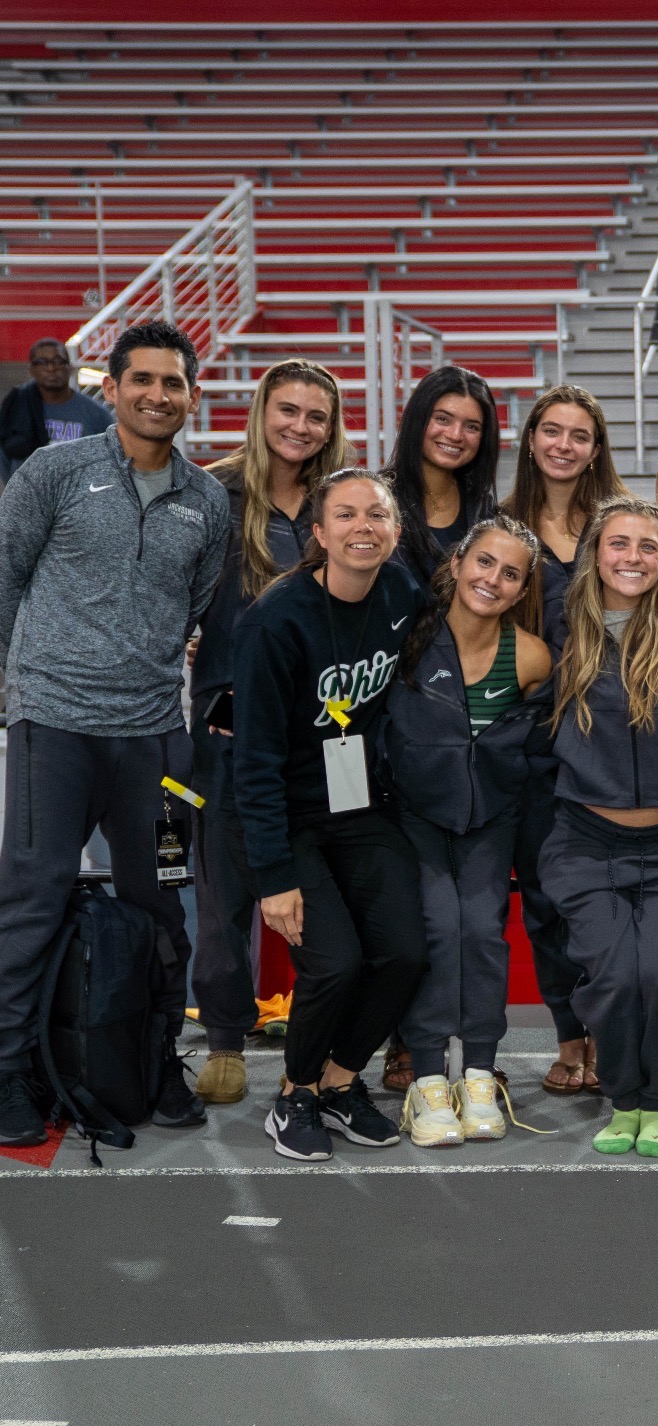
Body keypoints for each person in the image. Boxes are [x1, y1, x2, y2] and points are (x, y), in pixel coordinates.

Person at [0, 320, 229, 1147]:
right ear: (114, 389)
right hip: (52, 731)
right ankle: (7, 1073)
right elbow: (4, 577)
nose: (158, 395)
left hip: (155, 745)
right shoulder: (54, 472)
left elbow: (198, 608)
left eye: (174, 384)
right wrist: (11, 690)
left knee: (165, 908)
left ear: (191, 395)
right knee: (29, 903)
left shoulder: (206, 502)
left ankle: (155, 1060)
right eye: (143, 381)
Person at [232, 469, 429, 1161]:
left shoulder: (403, 593)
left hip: (356, 805)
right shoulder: (273, 622)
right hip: (286, 816)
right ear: (318, 533)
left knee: (405, 949)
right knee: (335, 963)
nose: (362, 527)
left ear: (396, 531)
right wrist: (273, 875)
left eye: (376, 515)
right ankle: (293, 1096)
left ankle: (340, 1084)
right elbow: (251, 760)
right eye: (344, 515)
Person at [189, 360, 354, 1106]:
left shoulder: (344, 501)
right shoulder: (208, 491)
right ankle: (225, 1037)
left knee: (333, 889)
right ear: (261, 413)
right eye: (286, 410)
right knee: (224, 888)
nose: (300, 426)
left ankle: (332, 1042)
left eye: (315, 416)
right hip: (228, 726)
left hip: (326, 730)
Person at [541, 498, 658, 1160]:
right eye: (619, 544)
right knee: (614, 978)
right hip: (587, 839)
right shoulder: (561, 617)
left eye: (648, 546)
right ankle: (623, 1098)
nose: (633, 558)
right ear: (594, 553)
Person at [384, 516, 553, 1146]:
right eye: (484, 563)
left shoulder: (532, 656)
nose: (493, 579)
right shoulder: (406, 641)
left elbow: (536, 743)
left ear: (522, 588)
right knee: (435, 927)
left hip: (490, 821)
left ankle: (479, 1071)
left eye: (510, 573)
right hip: (413, 817)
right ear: (456, 563)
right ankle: (429, 1078)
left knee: (481, 931)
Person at [500, 385, 622, 1097]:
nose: (564, 445)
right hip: (535, 743)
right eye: (552, 431)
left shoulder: (623, 524)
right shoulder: (505, 530)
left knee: (606, 896)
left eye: (580, 435)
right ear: (533, 440)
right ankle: (570, 1035)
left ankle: (610, 1028)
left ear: (596, 448)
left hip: (612, 743)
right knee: (546, 899)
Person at [387, 365, 500, 583]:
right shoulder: (378, 498)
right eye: (443, 419)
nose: (455, 435)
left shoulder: (482, 506)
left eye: (472, 427)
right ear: (418, 419)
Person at [0, 338, 113, 484]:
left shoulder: (97, 414)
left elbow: (110, 461)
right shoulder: (17, 407)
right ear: (31, 369)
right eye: (41, 362)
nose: (51, 368)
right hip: (29, 499)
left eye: (58, 361)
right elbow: (3, 454)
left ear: (70, 368)